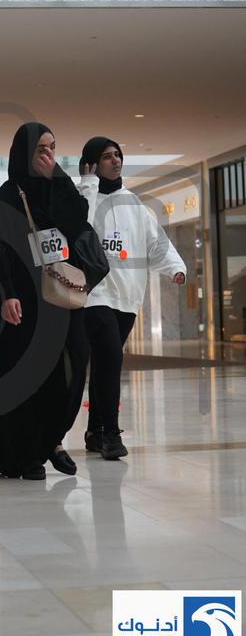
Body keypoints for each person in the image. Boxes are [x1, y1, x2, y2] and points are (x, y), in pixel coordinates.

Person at [0, 122, 91, 480]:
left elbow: (79, 219)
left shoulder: (60, 185)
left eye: (52, 148)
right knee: (32, 374)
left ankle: (52, 439)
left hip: (63, 289)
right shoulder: (9, 192)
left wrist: (58, 179)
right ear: (25, 153)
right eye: (41, 149)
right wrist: (7, 294)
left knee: (76, 364)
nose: (48, 154)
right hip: (27, 296)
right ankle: (30, 452)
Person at [78, 136, 186, 460]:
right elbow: (78, 227)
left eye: (118, 155)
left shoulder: (134, 204)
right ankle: (111, 433)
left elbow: (156, 242)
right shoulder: (83, 197)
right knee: (111, 356)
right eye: (107, 156)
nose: (116, 160)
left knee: (105, 362)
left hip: (127, 296)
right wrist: (88, 186)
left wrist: (175, 267)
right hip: (94, 294)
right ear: (92, 163)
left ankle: (94, 429)